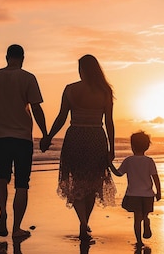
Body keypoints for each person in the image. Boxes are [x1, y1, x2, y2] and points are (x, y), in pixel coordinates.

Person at [41, 54, 116, 240]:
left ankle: (82, 221)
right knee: (92, 184)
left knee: (76, 182)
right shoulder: (105, 91)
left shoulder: (70, 89)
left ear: (81, 69)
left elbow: (61, 117)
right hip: (96, 138)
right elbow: (109, 122)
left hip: (75, 136)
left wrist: (48, 136)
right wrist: (111, 148)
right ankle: (85, 222)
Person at [0, 44, 48, 239]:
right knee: (22, 183)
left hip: (0, 136)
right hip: (23, 137)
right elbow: (36, 108)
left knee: (1, 176)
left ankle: (2, 212)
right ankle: (16, 228)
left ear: (6, 57)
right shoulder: (28, 78)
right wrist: (45, 134)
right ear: (23, 58)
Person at [110, 130, 161, 246]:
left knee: (137, 219)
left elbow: (118, 173)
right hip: (148, 194)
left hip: (133, 194)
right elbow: (155, 177)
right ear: (147, 146)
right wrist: (159, 192)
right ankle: (146, 220)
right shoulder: (149, 161)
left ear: (132, 146)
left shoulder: (129, 160)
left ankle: (139, 241)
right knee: (144, 215)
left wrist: (109, 164)